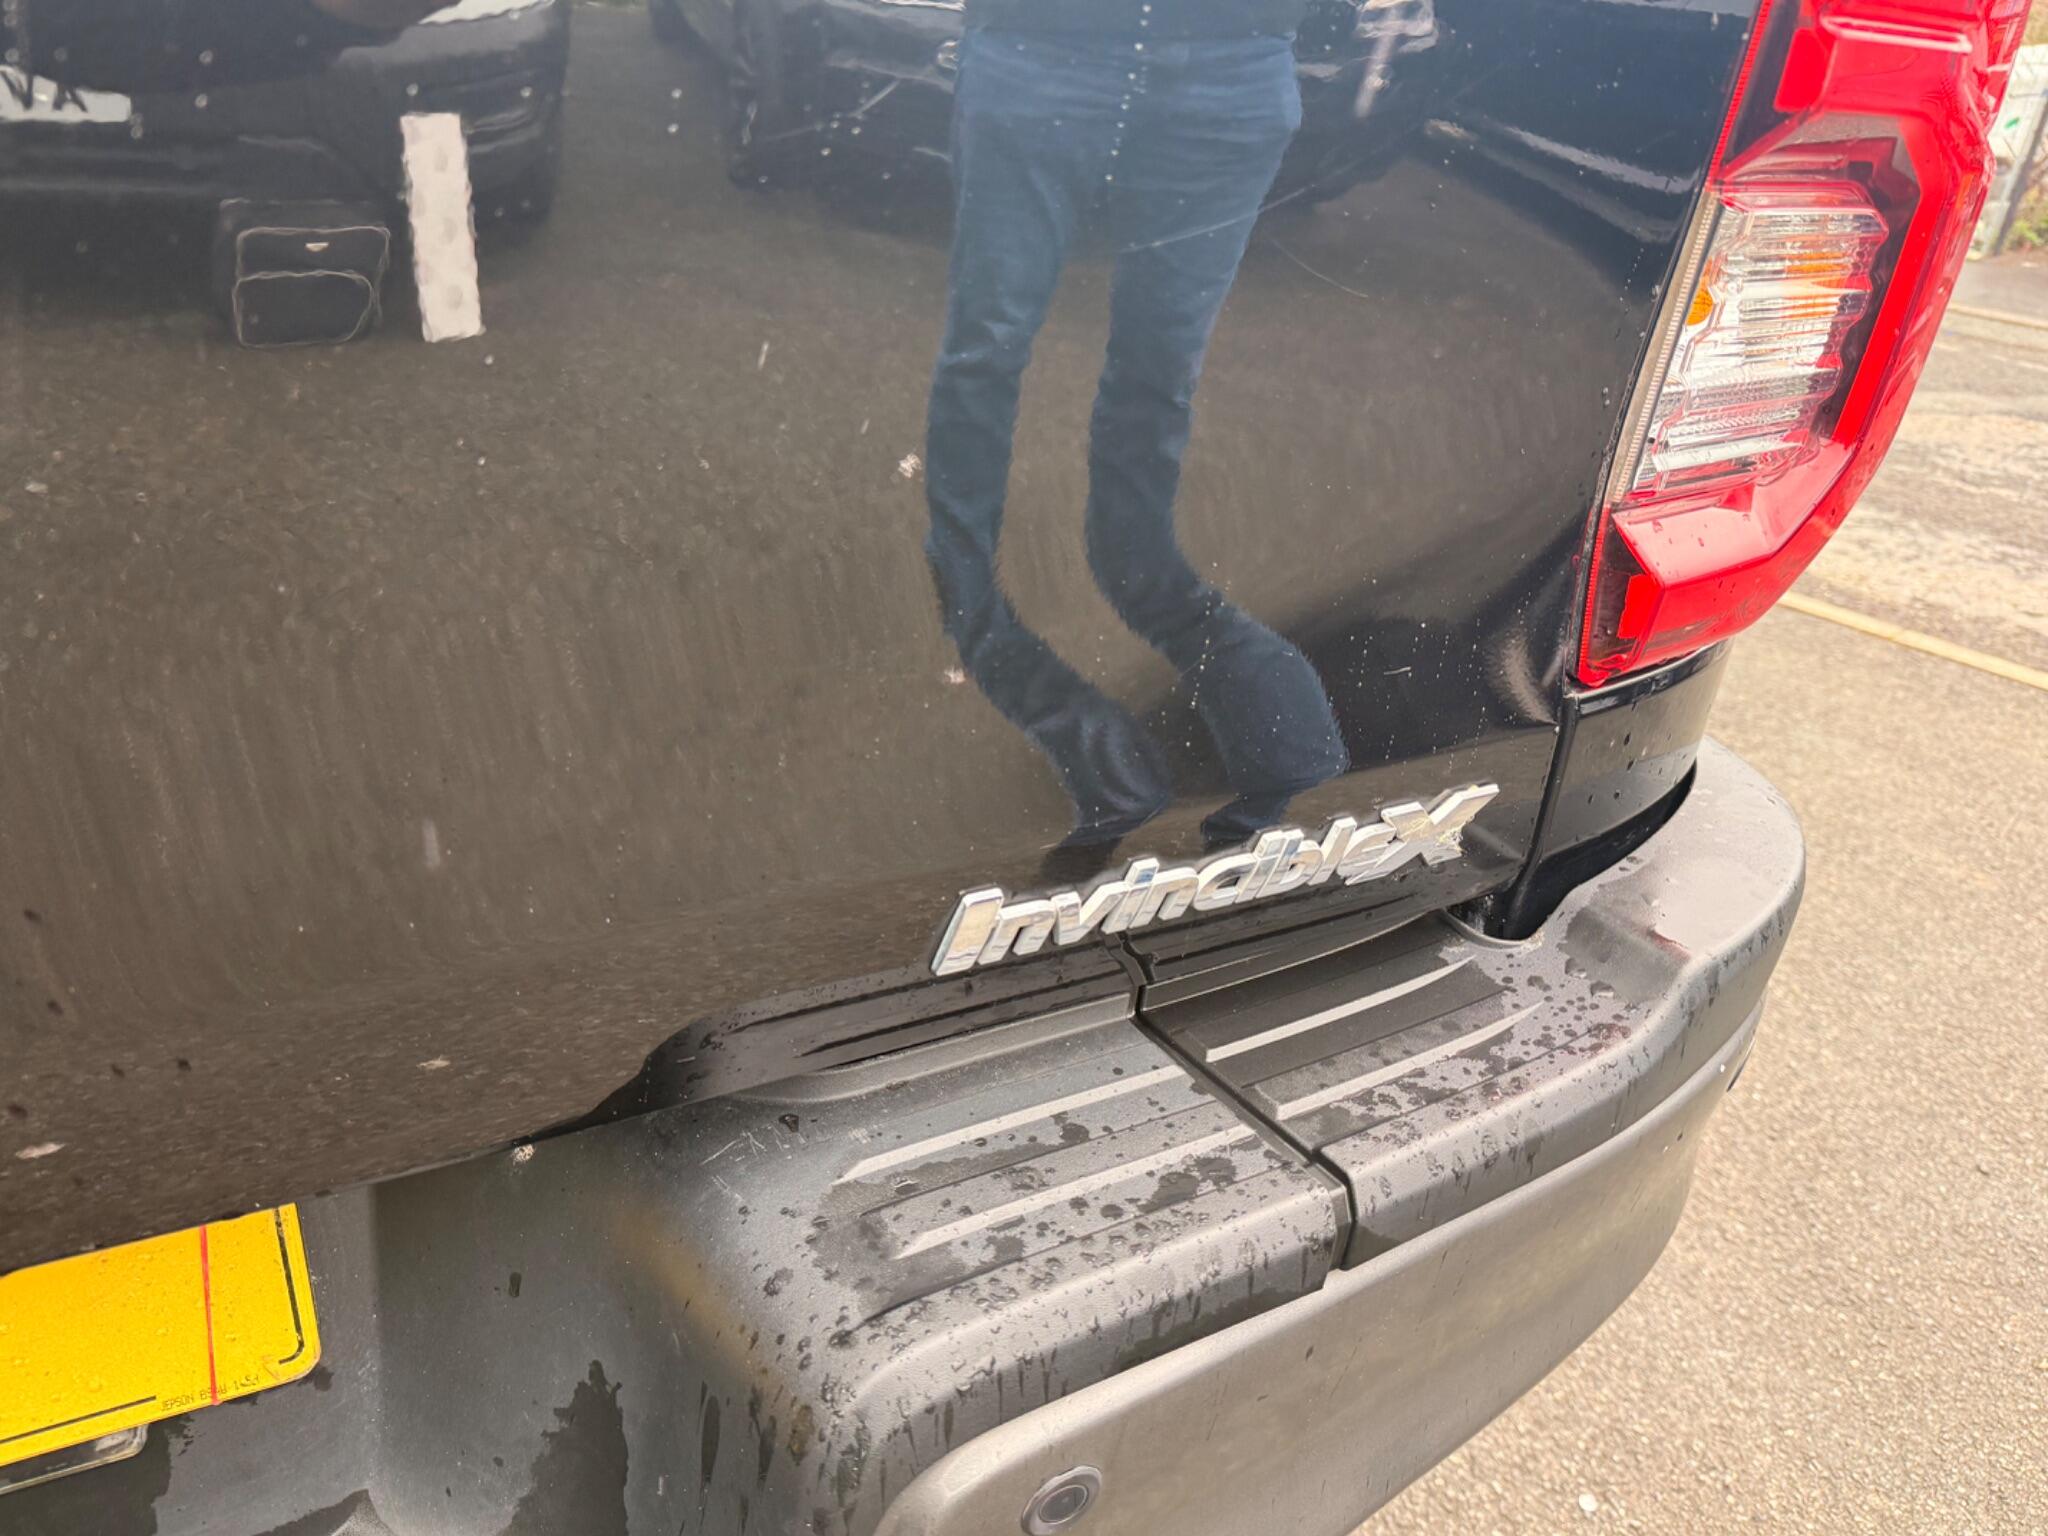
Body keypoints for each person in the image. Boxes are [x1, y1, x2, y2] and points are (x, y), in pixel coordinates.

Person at [925, 0, 1347, 879]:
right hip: (1044, 47)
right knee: (987, 352)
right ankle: (1044, 693)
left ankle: (1285, 771)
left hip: (1230, 65)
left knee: (1155, 376)